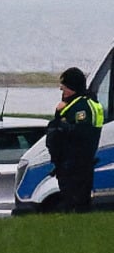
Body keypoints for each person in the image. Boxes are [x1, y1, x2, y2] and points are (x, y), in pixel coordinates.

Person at [45, 67, 104, 212]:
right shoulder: (71, 104)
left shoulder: (83, 106)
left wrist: (60, 124)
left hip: (77, 163)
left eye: (64, 87)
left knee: (77, 203)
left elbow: (81, 133)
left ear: (72, 87)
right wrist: (58, 115)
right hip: (66, 163)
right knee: (68, 200)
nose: (61, 90)